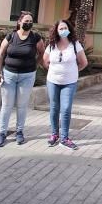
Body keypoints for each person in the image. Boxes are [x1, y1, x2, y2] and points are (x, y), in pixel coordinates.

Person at [0, 11, 45, 147]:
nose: (28, 23)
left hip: (27, 76)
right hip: (8, 75)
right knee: (7, 105)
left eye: (30, 21)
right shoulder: (11, 36)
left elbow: (42, 53)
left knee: (22, 106)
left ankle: (19, 132)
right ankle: (2, 133)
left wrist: (36, 65)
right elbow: (0, 54)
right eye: (26, 21)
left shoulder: (35, 37)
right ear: (19, 22)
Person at [43, 19, 88, 150]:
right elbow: (45, 61)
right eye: (60, 28)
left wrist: (74, 71)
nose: (63, 30)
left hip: (69, 83)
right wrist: (53, 71)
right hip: (53, 82)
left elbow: (83, 62)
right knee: (54, 108)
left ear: (69, 29)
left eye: (65, 28)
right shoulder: (51, 45)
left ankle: (64, 137)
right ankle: (54, 134)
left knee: (66, 109)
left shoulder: (75, 45)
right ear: (56, 31)